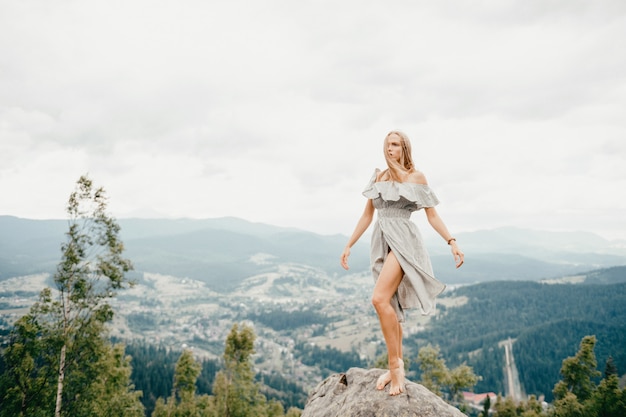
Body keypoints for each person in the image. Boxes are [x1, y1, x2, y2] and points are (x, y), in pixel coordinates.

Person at [340, 131, 464, 396]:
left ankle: (396, 369)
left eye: (395, 145)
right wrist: (349, 244)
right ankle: (396, 366)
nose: (389, 149)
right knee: (391, 307)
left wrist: (451, 241)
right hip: (381, 239)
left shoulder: (416, 178)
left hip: (404, 241)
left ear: (405, 148)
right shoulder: (378, 177)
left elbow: (432, 215)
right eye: (387, 145)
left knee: (379, 299)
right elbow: (366, 215)